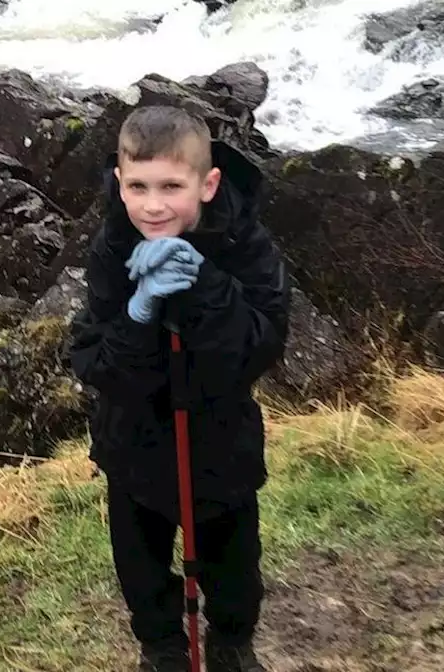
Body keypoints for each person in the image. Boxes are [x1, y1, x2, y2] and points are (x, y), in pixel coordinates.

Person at [68, 105, 291, 672]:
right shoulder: (112, 247)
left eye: (172, 185)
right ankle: (163, 651)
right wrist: (140, 312)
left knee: (235, 573)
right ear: (120, 183)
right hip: (134, 447)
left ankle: (231, 647)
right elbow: (95, 362)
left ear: (208, 183)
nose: (153, 204)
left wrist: (202, 284)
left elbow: (261, 348)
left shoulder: (246, 242)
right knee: (141, 573)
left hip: (222, 445)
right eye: (138, 186)